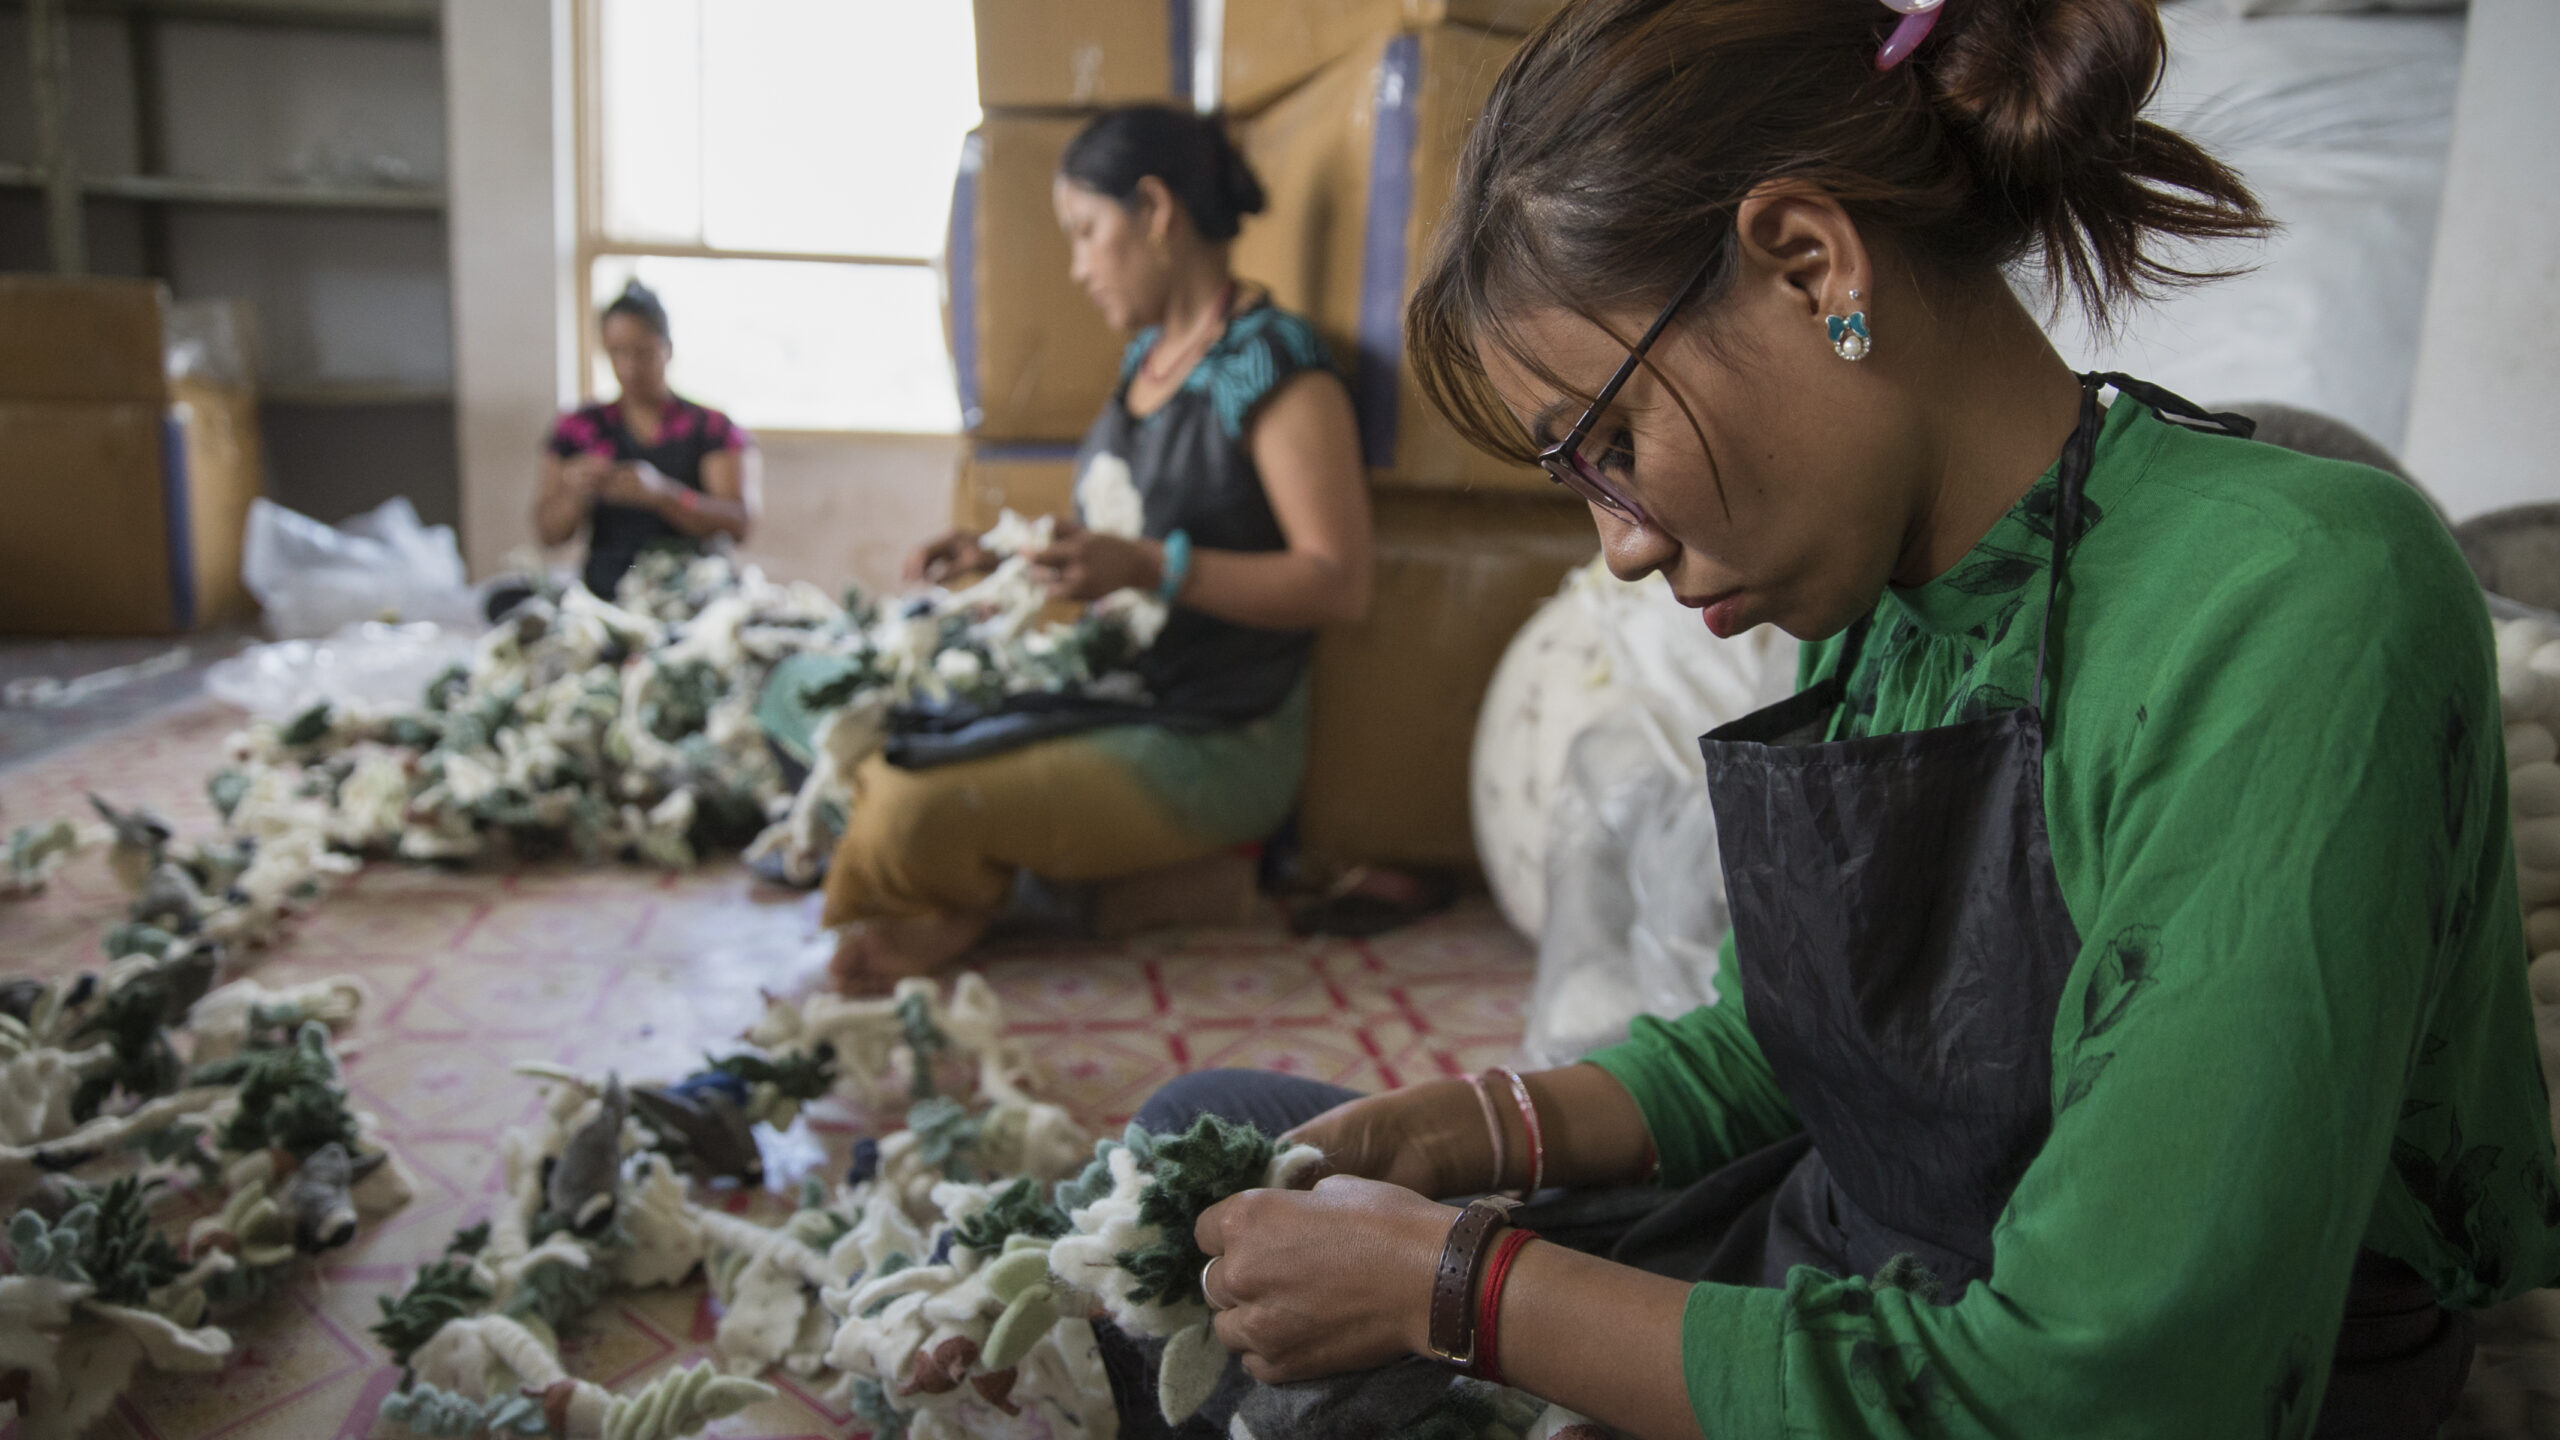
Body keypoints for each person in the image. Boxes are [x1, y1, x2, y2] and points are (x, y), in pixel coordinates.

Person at [1122, 0, 2560, 1436]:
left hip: (2031, 1377)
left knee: (1293, 1383)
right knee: (1209, 1135)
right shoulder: (1900, 595)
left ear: (1810, 268)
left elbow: (2113, 1384)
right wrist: (1473, 1126)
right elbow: (1799, 1041)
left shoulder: (2296, 598)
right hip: (1869, 1247)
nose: (1619, 544)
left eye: (1613, 445)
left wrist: (1461, 1292)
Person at [816, 106, 1372, 991]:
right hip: (1121, 690)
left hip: (1220, 731)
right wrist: (1001, 557)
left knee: (914, 805)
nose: (1077, 267)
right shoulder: (1145, 363)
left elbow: (1337, 583)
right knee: (856, 723)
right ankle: (1005, 876)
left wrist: (1155, 568)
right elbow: (1117, 534)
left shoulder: (1275, 366)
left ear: (1154, 211)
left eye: (1085, 231)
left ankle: (963, 897)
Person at [536, 281, 761, 599]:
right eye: (617, 353)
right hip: (608, 590)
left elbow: (740, 523)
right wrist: (575, 493)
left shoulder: (711, 428)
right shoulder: (578, 427)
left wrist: (665, 495)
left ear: (667, 349)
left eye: (643, 353)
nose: (629, 367)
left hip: (693, 589)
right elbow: (548, 533)